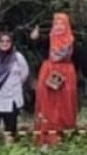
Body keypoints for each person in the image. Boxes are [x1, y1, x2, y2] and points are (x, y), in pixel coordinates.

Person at [31, 13, 78, 147]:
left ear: (67, 26)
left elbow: (79, 61)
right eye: (56, 24)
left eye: (62, 24)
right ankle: (45, 139)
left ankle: (64, 137)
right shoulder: (47, 39)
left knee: (65, 104)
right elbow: (37, 48)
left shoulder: (72, 41)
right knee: (47, 104)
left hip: (67, 76)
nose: (59, 27)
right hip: (48, 73)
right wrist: (35, 38)